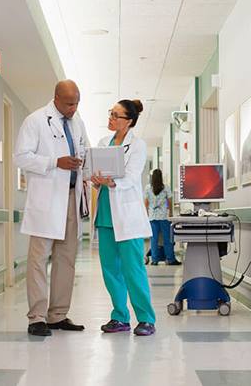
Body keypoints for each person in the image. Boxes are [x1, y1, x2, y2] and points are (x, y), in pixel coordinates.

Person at [14, 80, 89, 337]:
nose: (73, 108)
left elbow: (85, 152)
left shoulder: (77, 122)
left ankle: (57, 315)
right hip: (46, 199)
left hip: (71, 196)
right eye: (69, 103)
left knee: (66, 259)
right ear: (55, 98)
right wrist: (54, 162)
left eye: (77, 102)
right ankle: (36, 316)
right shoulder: (35, 120)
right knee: (39, 259)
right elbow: (20, 156)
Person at [91, 100, 156, 336]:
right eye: (110, 113)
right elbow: (95, 173)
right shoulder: (101, 143)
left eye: (116, 115)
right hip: (106, 213)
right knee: (110, 269)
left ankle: (146, 319)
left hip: (128, 215)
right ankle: (120, 317)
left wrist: (112, 181)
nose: (110, 118)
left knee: (133, 269)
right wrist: (96, 179)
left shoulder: (137, 145)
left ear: (128, 121)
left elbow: (131, 177)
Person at [144, 169, 180, 266]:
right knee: (167, 239)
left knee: (154, 239)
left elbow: (146, 203)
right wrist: (171, 213)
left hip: (152, 217)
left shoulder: (148, 188)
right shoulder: (166, 188)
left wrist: (146, 214)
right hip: (164, 217)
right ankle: (170, 259)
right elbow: (169, 201)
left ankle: (154, 260)